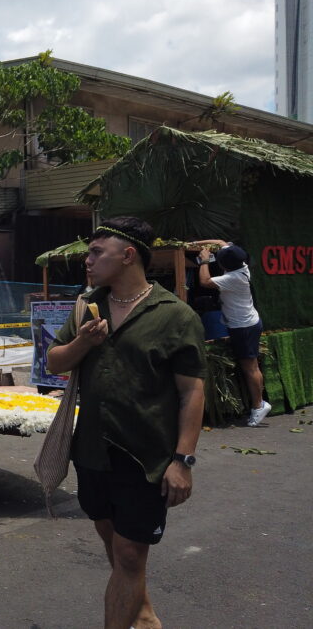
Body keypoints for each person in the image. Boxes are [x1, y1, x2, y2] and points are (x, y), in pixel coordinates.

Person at [47, 217, 206, 629]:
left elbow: (192, 392)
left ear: (129, 255)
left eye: (98, 252)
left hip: (146, 455)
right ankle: (146, 614)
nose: (88, 260)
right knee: (114, 543)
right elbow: (54, 361)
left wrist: (182, 460)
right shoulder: (87, 305)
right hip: (92, 451)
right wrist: (84, 341)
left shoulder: (175, 315)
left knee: (131, 554)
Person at [196, 240, 271, 427]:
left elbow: (204, 282)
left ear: (222, 265)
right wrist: (195, 243)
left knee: (250, 367)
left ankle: (258, 405)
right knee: (251, 365)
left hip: (243, 326)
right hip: (248, 322)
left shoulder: (234, 278)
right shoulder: (241, 264)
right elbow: (221, 242)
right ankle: (259, 403)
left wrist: (204, 261)